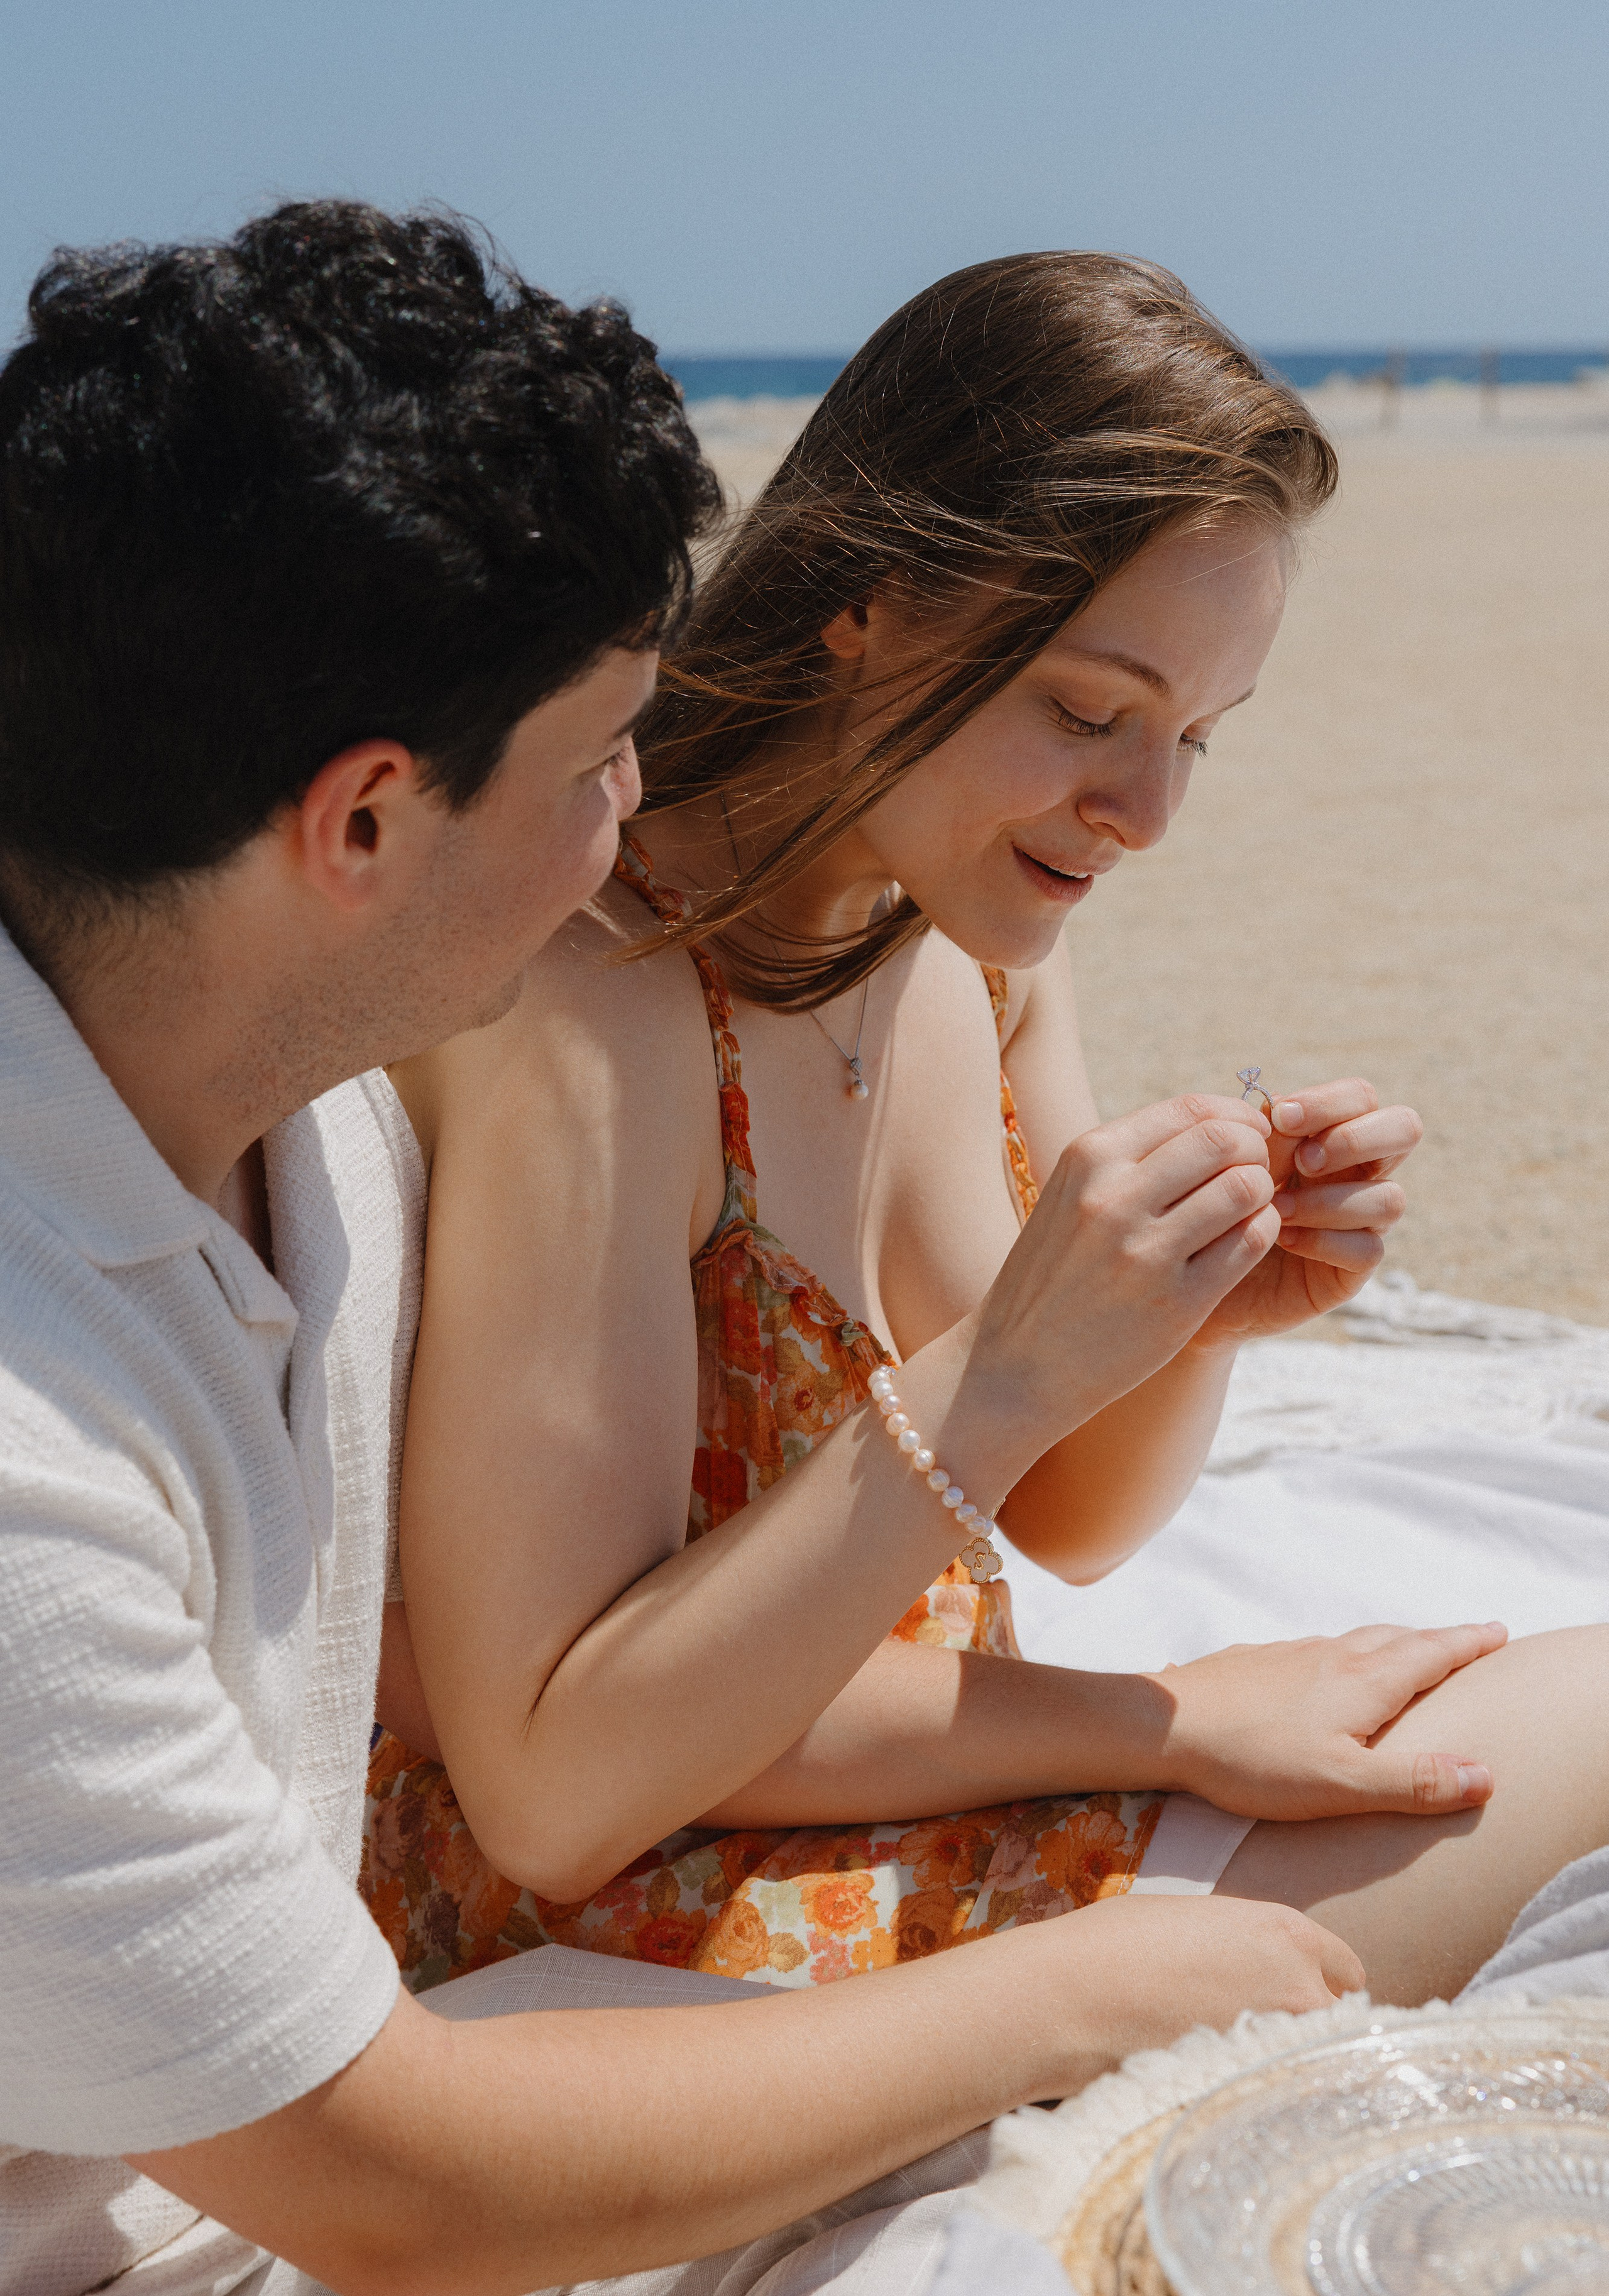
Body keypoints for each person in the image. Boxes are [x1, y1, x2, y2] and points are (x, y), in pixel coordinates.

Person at [0, 206, 1370, 2296]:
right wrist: (1096, 1968)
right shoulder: (43, 1455)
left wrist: (1158, 1338)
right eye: (593, 761)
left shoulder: (317, 1127)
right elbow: (409, 2156)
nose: (635, 823)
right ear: (364, 823)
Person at [370, 252, 1609, 2016]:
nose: (1147, 809)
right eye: (1091, 713)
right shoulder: (601, 1002)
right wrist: (1163, 1718)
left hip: (937, 1784)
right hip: (658, 1916)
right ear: (863, 606)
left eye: (1198, 737)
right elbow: (557, 1779)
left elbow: (1081, 1518)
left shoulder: (967, 930)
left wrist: (1192, 1317)